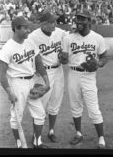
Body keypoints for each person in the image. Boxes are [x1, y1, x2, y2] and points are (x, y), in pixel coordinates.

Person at [0, 16, 50, 149]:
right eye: (25, 27)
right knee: (16, 117)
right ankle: (19, 144)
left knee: (40, 114)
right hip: (17, 84)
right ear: (16, 28)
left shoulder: (30, 43)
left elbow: (39, 63)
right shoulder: (8, 48)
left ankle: (37, 142)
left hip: (31, 82)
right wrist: (9, 92)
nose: (29, 30)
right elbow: (1, 73)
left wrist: (46, 81)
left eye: (29, 27)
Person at [62, 9, 108, 148]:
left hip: (89, 76)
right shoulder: (68, 38)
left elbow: (104, 57)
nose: (79, 21)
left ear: (89, 21)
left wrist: (98, 63)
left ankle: (101, 138)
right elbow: (64, 59)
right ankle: (78, 134)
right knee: (75, 106)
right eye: (77, 18)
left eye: (82, 19)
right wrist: (63, 58)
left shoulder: (98, 38)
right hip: (73, 74)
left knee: (93, 108)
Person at [29, 11, 68, 143]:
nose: (55, 24)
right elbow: (29, 55)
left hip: (59, 72)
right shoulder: (33, 37)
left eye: (55, 21)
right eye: (52, 22)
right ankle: (36, 135)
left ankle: (51, 130)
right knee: (39, 106)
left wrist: (64, 55)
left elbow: (71, 36)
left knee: (55, 103)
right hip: (43, 74)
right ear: (43, 24)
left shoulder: (59, 32)